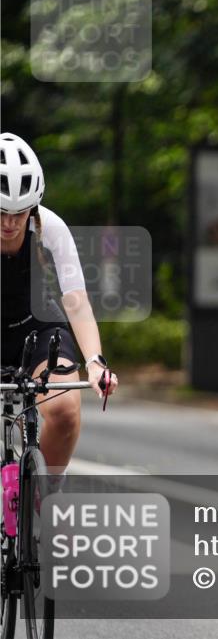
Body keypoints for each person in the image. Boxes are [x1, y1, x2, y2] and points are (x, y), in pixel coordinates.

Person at [0, 132, 119, 481]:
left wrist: (96, 362)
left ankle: (44, 492)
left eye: (19, 214)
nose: (9, 224)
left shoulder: (50, 226)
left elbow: (76, 301)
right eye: (1, 213)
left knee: (66, 409)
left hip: (35, 325)